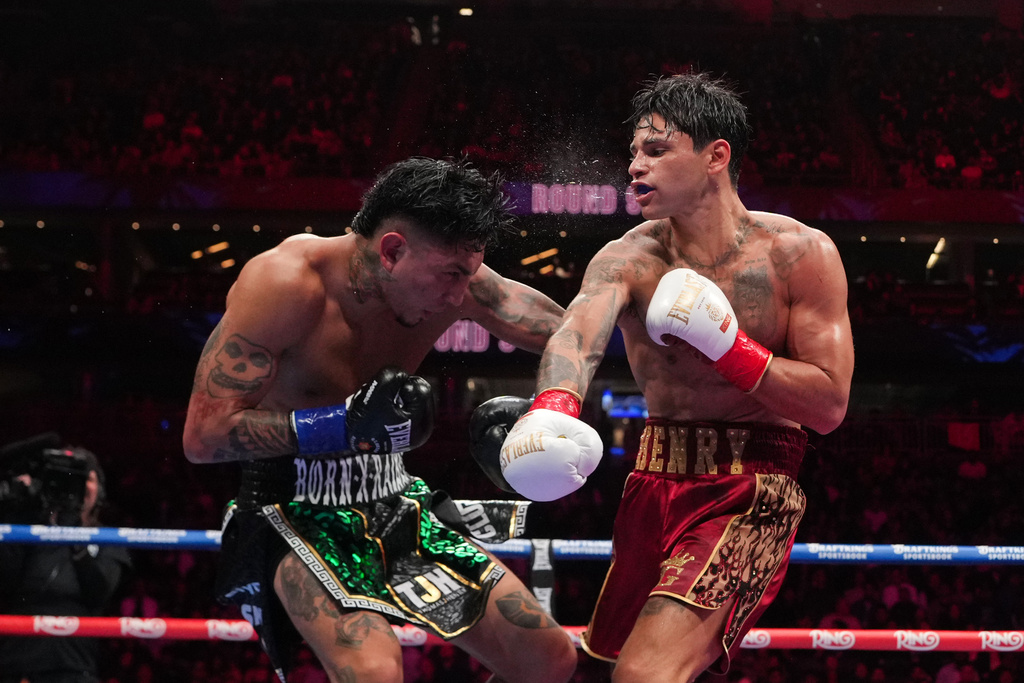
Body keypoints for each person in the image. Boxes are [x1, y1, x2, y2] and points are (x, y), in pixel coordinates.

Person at [490, 73, 854, 682]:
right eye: (633, 151)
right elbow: (576, 337)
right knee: (596, 670)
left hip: (750, 488)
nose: (635, 166)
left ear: (716, 156)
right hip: (650, 484)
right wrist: (553, 405)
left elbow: (829, 406)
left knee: (645, 674)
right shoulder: (626, 257)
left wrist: (732, 349)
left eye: (655, 150)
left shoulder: (800, 254)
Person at [182, 157, 576, 683]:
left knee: (547, 657)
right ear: (392, 251)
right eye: (450, 276)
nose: (460, 297)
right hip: (292, 506)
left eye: (469, 274)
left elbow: (573, 334)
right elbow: (203, 437)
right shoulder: (285, 283)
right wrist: (342, 424)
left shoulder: (458, 277)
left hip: (394, 496)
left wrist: (552, 409)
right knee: (373, 673)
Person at [0, 434, 131, 683]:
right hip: (17, 660)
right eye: (65, 477)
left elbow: (99, 591)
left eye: (85, 477)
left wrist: (74, 534)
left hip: (73, 662)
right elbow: (6, 580)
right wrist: (18, 513)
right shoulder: (31, 530)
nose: (75, 485)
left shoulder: (109, 539)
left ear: (99, 490)